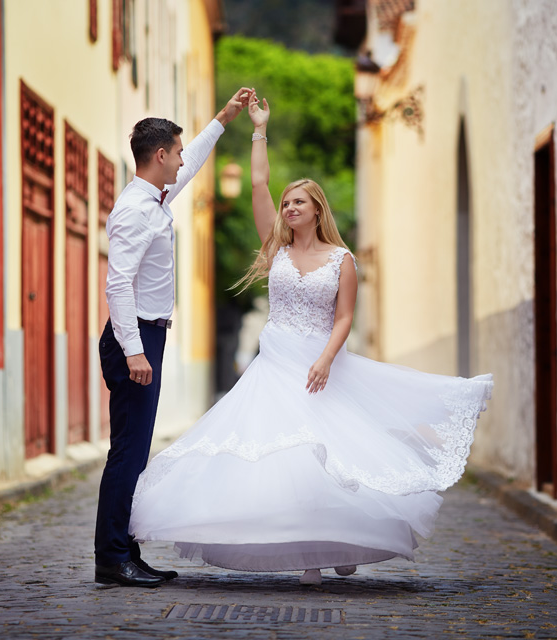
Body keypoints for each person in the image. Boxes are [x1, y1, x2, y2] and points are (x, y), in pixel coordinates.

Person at [128, 90, 494, 585]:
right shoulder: (275, 248)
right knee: (289, 458)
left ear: (317, 209)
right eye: (286, 202)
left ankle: (339, 540)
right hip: (275, 363)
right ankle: (312, 556)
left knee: (332, 457)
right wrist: (258, 128)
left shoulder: (342, 261)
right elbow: (258, 183)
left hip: (320, 364)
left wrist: (324, 360)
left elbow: (344, 318)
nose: (289, 206)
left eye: (298, 201)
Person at [95, 87, 251, 588]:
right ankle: (111, 557)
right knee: (128, 453)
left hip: (146, 337)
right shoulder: (135, 210)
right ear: (159, 155)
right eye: (177, 152)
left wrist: (224, 119)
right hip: (135, 339)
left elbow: (194, 164)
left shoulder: (155, 196)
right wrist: (135, 350)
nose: (182, 159)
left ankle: (125, 551)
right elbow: (117, 283)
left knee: (134, 454)